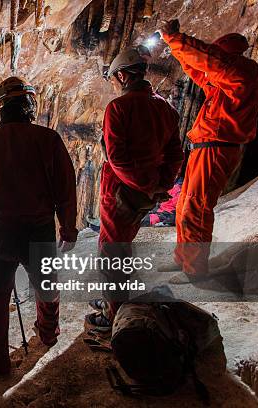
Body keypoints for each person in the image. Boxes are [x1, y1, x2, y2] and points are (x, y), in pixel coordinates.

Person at [0, 76, 78, 376]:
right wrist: (68, 229)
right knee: (46, 286)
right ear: (29, 105)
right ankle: (48, 333)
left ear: (1, 108)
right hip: (38, 229)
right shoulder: (48, 140)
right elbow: (65, 190)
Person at [159, 20, 258, 283]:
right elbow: (199, 71)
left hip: (217, 147)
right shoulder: (225, 84)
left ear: (226, 54)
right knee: (185, 203)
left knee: (197, 206)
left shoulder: (242, 72)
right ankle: (183, 259)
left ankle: (194, 270)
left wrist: (177, 39)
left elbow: (208, 61)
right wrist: (177, 50)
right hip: (207, 146)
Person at [90, 48, 183, 327]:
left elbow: (117, 158)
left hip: (121, 191)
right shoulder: (166, 108)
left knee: (112, 250)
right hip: (146, 191)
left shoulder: (118, 108)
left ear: (121, 75)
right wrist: (159, 185)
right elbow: (175, 154)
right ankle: (112, 297)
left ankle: (114, 310)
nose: (114, 86)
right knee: (122, 245)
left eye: (114, 80)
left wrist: (142, 185)